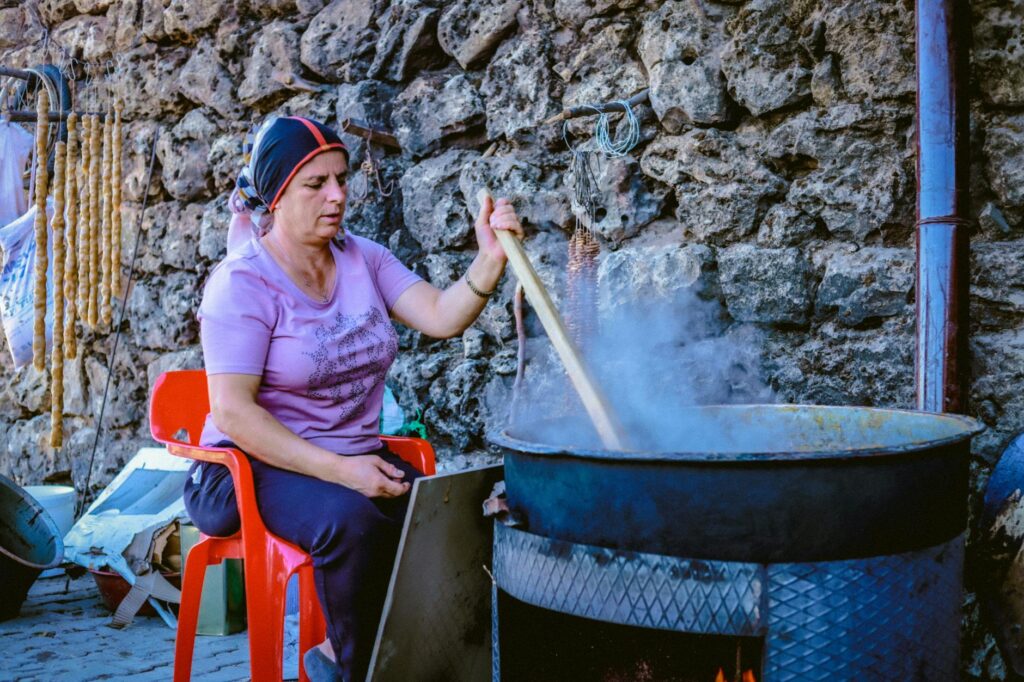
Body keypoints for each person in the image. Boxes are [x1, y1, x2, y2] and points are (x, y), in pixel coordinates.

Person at [182, 116, 523, 682]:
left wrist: (489, 259)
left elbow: (441, 316)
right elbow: (234, 413)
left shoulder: (363, 258)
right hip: (243, 463)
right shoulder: (241, 284)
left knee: (449, 516)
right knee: (352, 522)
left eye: (342, 178)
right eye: (316, 184)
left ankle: (412, 662)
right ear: (276, 195)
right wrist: (344, 472)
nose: (338, 195)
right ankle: (349, 668)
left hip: (348, 455)